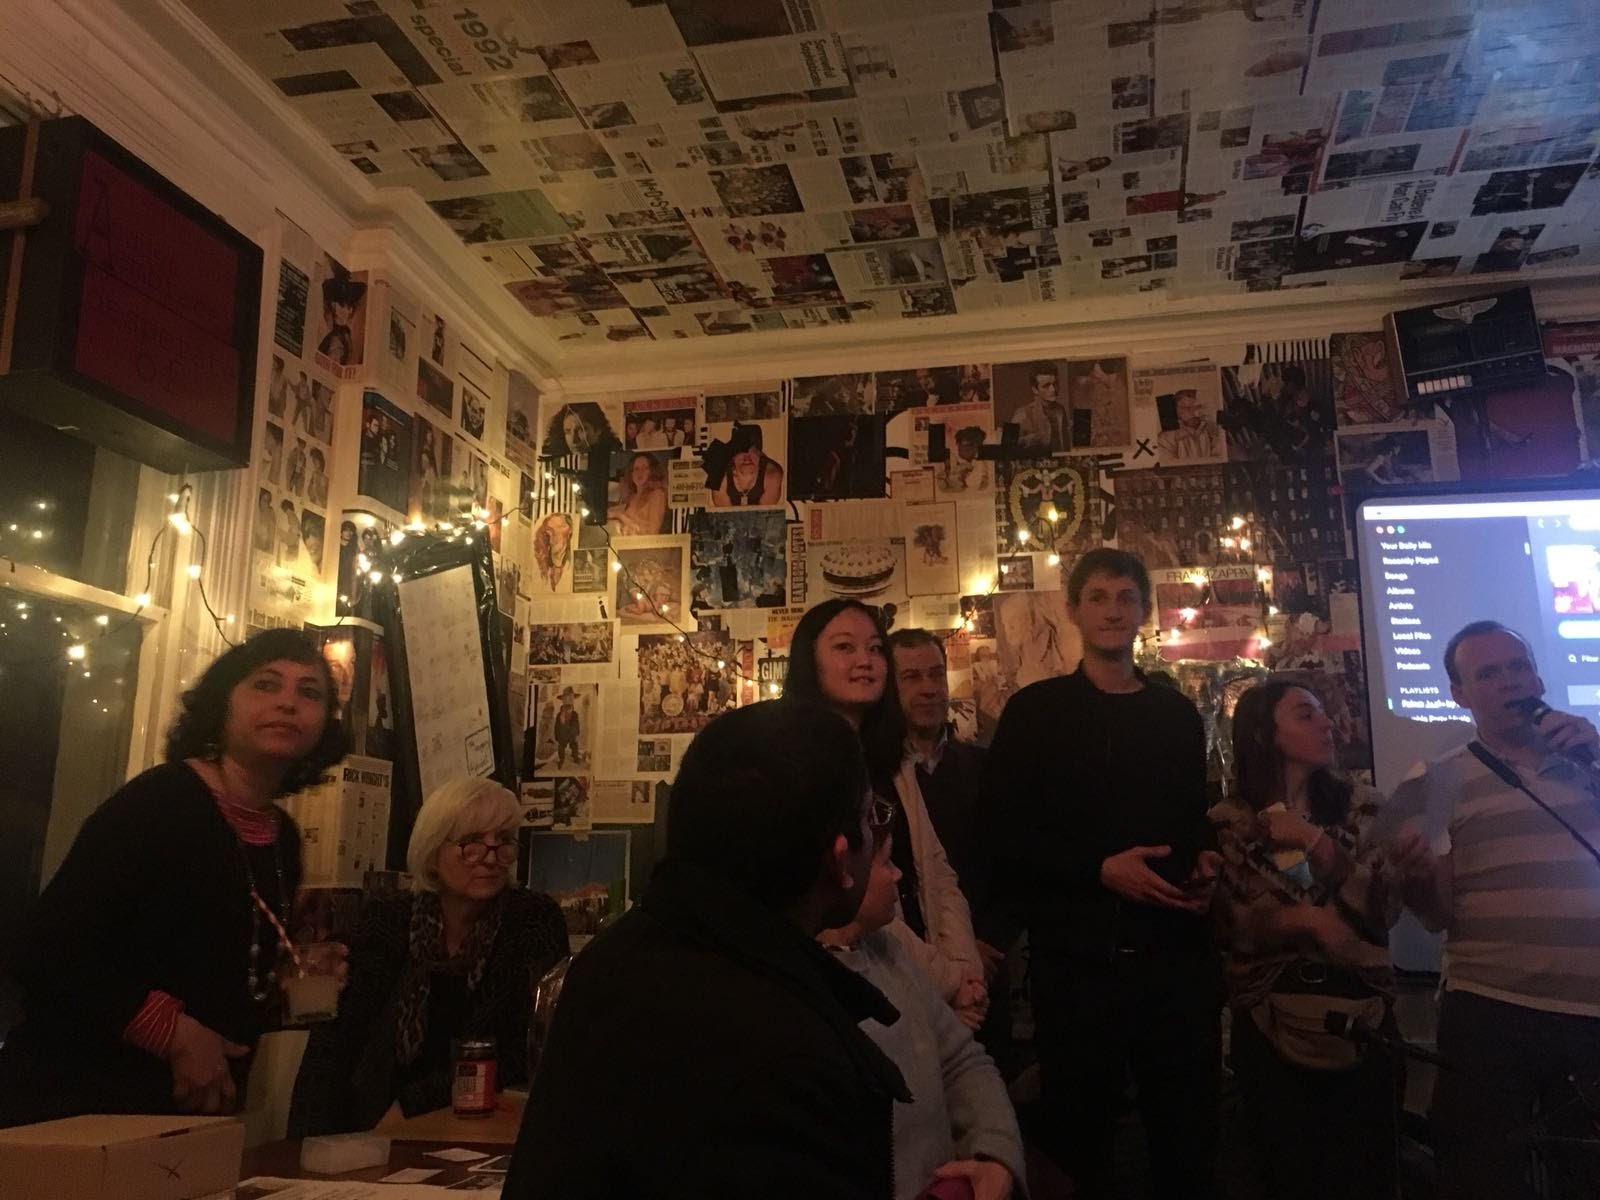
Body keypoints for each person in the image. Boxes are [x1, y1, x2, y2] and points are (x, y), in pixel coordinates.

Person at [502, 701, 910, 1199]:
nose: (875, 830)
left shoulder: (609, 962)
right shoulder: (787, 1048)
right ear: (839, 859)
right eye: (871, 817)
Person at [0, 630, 349, 1126]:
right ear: (223, 704)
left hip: (190, 1118)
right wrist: (176, 1034)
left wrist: (294, 980)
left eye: (309, 692)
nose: (288, 702)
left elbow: (221, 976)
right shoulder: (160, 802)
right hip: (77, 1107)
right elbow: (45, 949)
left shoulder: (283, 838)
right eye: (266, 684)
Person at [981, 548, 1223, 1197]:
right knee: (1078, 1140)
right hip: (1077, 966)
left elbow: (1190, 817)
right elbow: (1002, 832)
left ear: (1144, 611)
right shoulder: (1035, 712)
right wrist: (1097, 869)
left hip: (1174, 961)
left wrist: (1205, 857)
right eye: (1098, 597)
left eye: (1125, 598)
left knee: (1185, 1135)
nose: (1113, 611)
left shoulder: (1175, 714)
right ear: (1073, 610)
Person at [1386, 621, 1600, 1200]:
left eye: (1518, 667)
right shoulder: (1436, 781)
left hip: (1592, 1009)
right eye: (1489, 673)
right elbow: (1436, 916)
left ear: (1538, 679)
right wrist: (1414, 878)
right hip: (1492, 1010)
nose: (1510, 681)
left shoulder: (1589, 758)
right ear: (1460, 695)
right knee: (1481, 1174)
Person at [1211, 680, 1412, 1199]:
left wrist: (1316, 843)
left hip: (1363, 1015)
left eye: (1324, 713)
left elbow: (1384, 910)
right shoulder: (1230, 821)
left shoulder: (1364, 807)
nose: (1328, 724)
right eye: (1307, 715)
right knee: (1288, 1173)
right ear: (1264, 734)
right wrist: (1307, 921)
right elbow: (1232, 924)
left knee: (1368, 1172)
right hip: (1269, 1017)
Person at [289, 779, 566, 1134]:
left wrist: (411, 1106)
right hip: (376, 1122)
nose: (491, 857)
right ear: (433, 852)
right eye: (471, 843)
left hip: (478, 1120)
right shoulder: (388, 920)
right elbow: (340, 1040)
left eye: (503, 841)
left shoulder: (530, 919)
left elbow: (515, 1047)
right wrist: (307, 1139)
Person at [785, 601, 987, 1029]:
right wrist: (949, 982)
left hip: (926, 977)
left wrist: (966, 971)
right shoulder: (802, 764)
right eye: (845, 647)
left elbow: (936, 869)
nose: (865, 660)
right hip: (855, 981)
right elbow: (857, 900)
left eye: (875, 648)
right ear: (810, 661)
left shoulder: (894, 759)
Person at [819, 830, 1025, 1200]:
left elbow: (963, 1061)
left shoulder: (887, 950)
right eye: (886, 862)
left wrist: (995, 1154)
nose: (898, 874)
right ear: (844, 868)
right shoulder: (808, 990)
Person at [710, 422, 784, 507]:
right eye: (741, 451)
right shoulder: (719, 473)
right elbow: (723, 513)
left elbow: (766, 513)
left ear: (759, 454)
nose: (747, 457)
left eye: (752, 451)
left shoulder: (772, 475)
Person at [1011, 361, 1068, 452]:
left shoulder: (1060, 410)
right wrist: (1036, 439)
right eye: (1046, 386)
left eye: (1055, 383)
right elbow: (1006, 446)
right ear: (1035, 390)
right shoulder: (1022, 414)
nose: (1053, 389)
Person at [608, 452, 668, 536]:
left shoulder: (657, 495)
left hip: (646, 543)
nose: (640, 472)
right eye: (636, 469)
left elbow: (652, 531)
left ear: (652, 471)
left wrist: (620, 516)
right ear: (631, 474)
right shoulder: (632, 498)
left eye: (645, 468)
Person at [1156, 388, 1223, 462]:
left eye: (1198, 407)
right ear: (1177, 411)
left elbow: (1219, 458)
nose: (1195, 413)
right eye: (1187, 408)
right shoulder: (1165, 438)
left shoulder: (1212, 432)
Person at [941, 425, 992, 493]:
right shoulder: (954, 453)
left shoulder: (980, 465)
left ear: (976, 449)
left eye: (967, 449)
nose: (961, 450)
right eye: (959, 446)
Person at [532, 512, 573, 593]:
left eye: (560, 527)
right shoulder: (543, 560)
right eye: (550, 532)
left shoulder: (571, 561)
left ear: (569, 531)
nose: (554, 538)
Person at [552, 687, 582, 767]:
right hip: (563, 735)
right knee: (561, 747)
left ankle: (575, 757)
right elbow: (556, 726)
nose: (568, 700)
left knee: (575, 745)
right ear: (562, 700)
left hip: (572, 734)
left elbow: (576, 725)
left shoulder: (575, 714)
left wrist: (577, 734)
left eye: (571, 698)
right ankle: (561, 760)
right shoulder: (559, 715)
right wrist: (557, 736)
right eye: (566, 698)